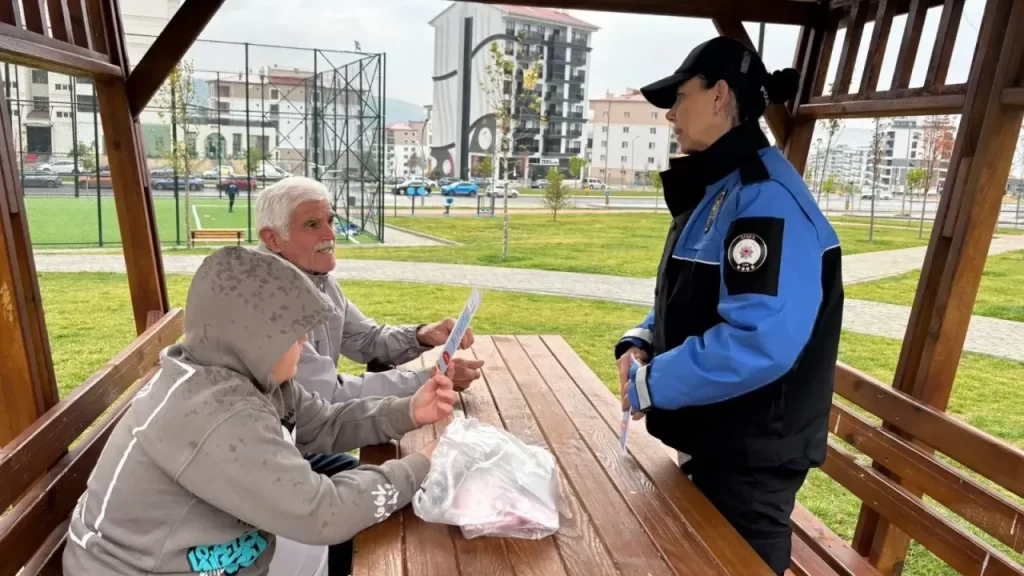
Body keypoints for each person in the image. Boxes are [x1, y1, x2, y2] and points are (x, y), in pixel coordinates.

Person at [64, 246, 458, 576]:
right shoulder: (214, 413)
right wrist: (421, 466)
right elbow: (323, 513)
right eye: (292, 331)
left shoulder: (251, 376)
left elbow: (325, 423)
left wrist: (408, 411)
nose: (304, 341)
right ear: (252, 336)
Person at [617, 37, 844, 575]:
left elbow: (756, 340)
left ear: (720, 96)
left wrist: (653, 383)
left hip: (750, 459)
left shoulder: (765, 200)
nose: (671, 114)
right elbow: (697, 297)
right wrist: (643, 340)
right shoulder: (725, 189)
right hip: (717, 442)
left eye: (680, 97)